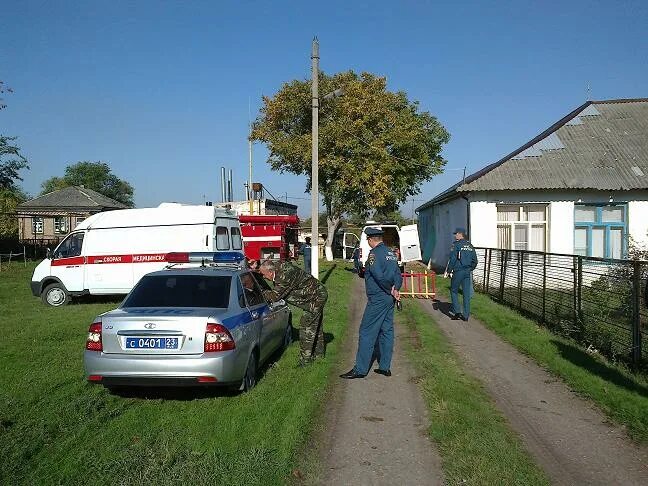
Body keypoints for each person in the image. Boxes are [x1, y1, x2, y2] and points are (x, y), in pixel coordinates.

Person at [340, 228, 402, 379]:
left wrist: (389, 289)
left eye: (368, 240)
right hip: (389, 298)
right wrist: (395, 289)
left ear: (370, 239)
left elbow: (379, 276)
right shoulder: (391, 253)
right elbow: (398, 275)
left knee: (366, 331)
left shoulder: (374, 254)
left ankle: (360, 369)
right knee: (386, 331)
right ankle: (384, 367)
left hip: (379, 297)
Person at [256, 259, 327, 365]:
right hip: (316, 293)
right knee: (315, 326)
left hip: (315, 298)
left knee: (306, 328)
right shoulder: (277, 266)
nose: (264, 277)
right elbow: (268, 263)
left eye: (264, 275)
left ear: (271, 272)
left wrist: (260, 291)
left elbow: (275, 297)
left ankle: (305, 360)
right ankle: (319, 354)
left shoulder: (283, 277)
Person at [444, 227, 478, 321]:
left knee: (454, 290)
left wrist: (449, 270)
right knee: (466, 293)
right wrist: (470, 269)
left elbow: (453, 259)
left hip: (458, 271)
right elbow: (475, 261)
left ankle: (457, 312)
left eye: (456, 234)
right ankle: (466, 316)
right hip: (467, 271)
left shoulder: (456, 245)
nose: (455, 235)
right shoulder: (470, 246)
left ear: (460, 234)